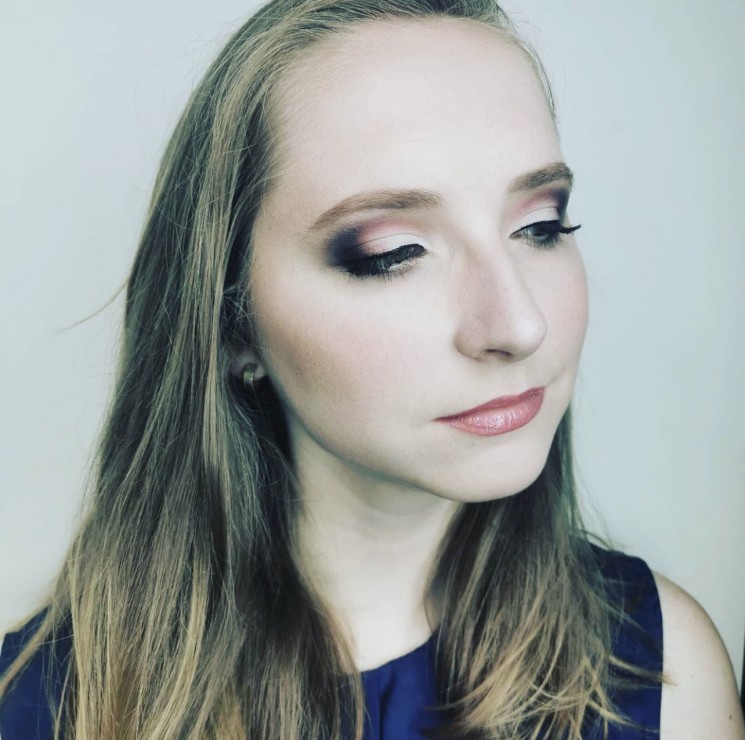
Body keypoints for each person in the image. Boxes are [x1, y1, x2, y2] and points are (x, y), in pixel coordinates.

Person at [1, 0, 743, 737]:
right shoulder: (35, 709)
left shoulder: (659, 671)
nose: (519, 325)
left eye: (540, 226)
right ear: (233, 323)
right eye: (392, 254)